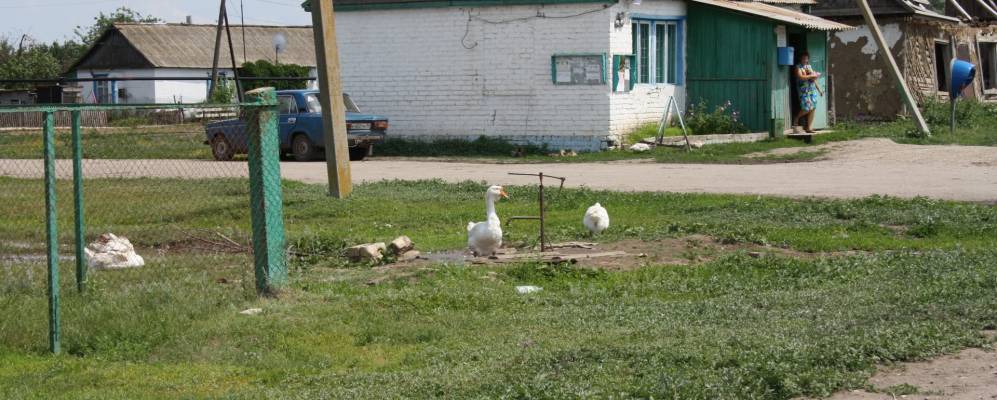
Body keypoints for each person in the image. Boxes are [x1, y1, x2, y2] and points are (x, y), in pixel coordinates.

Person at [794, 52, 823, 133]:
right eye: (803, 58)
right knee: (806, 107)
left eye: (806, 58)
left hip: (812, 90)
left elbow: (814, 80)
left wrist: (819, 89)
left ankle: (809, 128)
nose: (805, 60)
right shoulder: (798, 67)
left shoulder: (809, 66)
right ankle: (796, 117)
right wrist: (811, 76)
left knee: (813, 108)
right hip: (803, 90)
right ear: (800, 59)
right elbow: (801, 77)